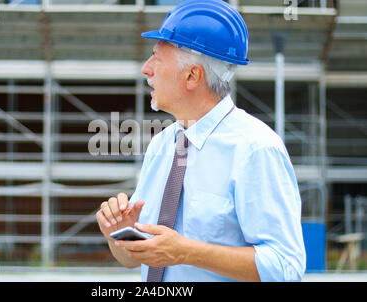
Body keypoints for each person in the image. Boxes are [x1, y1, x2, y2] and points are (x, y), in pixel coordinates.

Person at [95, 0, 306, 282]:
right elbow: (134, 260)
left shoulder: (255, 148)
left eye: (157, 58)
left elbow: (285, 268)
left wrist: (186, 252)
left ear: (192, 75)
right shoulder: (162, 145)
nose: (146, 69)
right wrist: (118, 234)